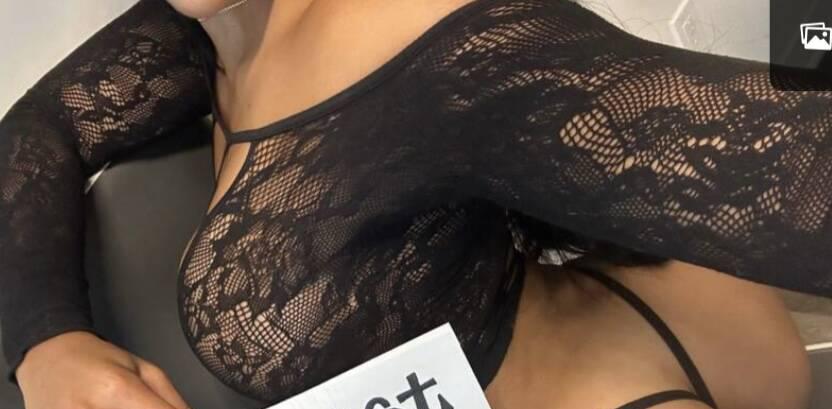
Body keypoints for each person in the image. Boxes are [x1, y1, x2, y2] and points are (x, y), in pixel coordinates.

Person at [0, 0, 827, 408]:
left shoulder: (411, 20)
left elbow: (800, 167)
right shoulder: (213, 24)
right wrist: (47, 342)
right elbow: (39, 131)